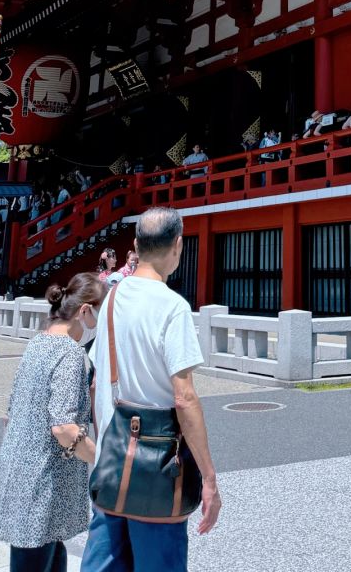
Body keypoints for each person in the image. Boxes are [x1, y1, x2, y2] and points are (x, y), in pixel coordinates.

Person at [81, 207, 221, 571]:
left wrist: (104, 446)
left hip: (112, 461)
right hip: (158, 467)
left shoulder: (111, 298)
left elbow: (97, 380)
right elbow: (184, 397)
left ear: (136, 245)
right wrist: (208, 477)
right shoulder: (173, 307)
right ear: (178, 245)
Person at [0, 272, 106, 571]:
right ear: (84, 311)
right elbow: (64, 428)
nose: (98, 323)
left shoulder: (37, 344)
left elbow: (12, 412)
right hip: (44, 485)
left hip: (19, 472)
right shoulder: (69, 353)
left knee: (50, 557)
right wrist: (105, 460)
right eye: (99, 313)